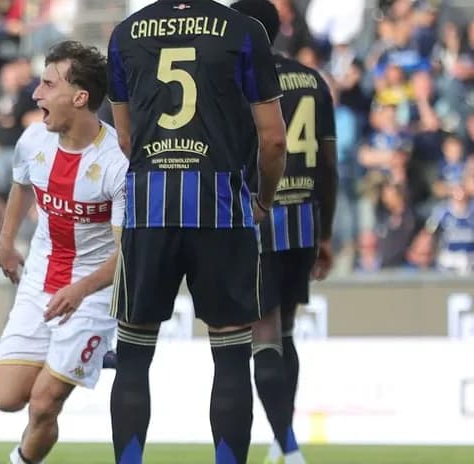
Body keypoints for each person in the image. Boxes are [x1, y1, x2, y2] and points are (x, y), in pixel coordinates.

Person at [105, 0, 287, 463]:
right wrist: (262, 199)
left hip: (149, 207)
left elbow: (125, 139)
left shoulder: (126, 32)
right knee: (229, 355)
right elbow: (274, 139)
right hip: (222, 207)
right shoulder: (243, 31)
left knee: (132, 355)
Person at [0, 40, 127, 464]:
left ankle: (22, 460)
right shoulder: (34, 140)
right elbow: (20, 185)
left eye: (48, 85)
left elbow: (128, 256)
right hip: (41, 276)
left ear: (80, 97)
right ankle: (88, 356)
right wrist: (5, 241)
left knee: (44, 403)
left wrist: (82, 290)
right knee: (7, 397)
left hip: (94, 290)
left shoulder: (117, 163)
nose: (36, 94)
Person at [229, 2, 338, 464]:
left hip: (258, 219)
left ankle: (289, 447)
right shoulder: (313, 80)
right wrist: (326, 233)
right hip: (305, 222)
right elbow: (330, 165)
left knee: (264, 335)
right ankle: (282, 437)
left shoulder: (239, 81)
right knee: (286, 330)